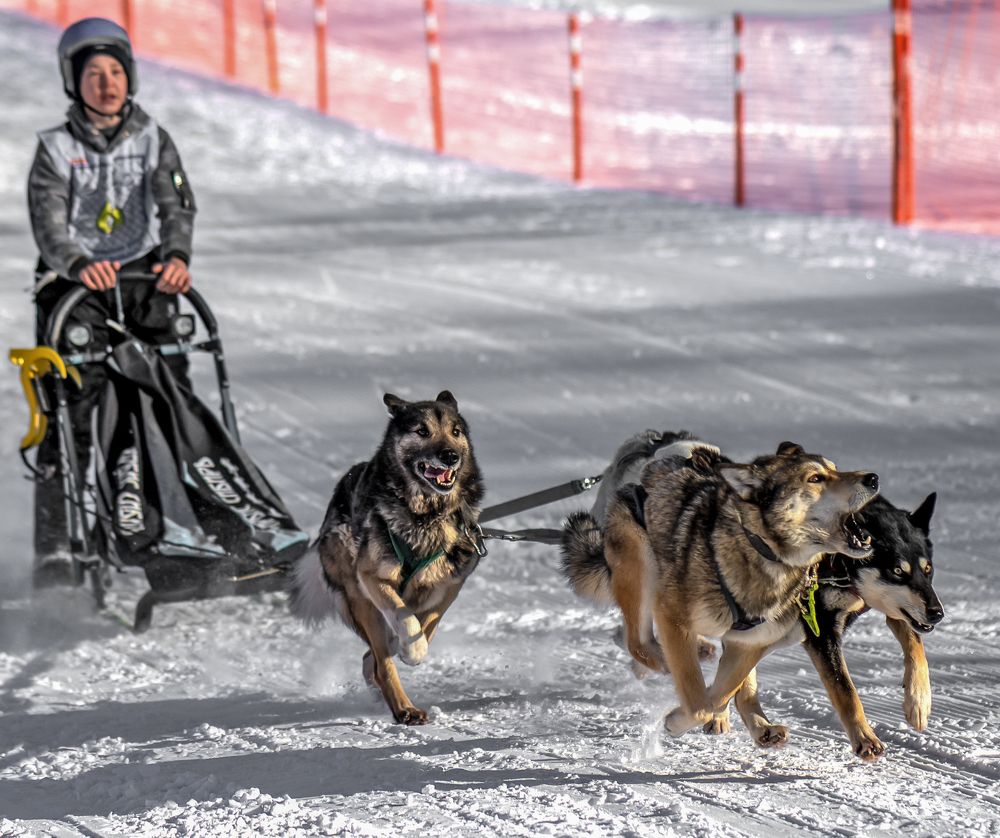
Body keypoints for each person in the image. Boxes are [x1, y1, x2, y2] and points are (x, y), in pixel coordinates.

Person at [28, 17, 197, 585]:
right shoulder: (54, 148)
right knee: (70, 415)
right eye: (94, 73)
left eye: (117, 71)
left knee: (175, 398)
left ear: (131, 77)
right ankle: (58, 545)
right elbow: (49, 223)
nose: (107, 83)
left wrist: (175, 256)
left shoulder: (154, 139)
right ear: (73, 82)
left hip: (144, 279)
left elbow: (176, 204)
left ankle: (194, 524)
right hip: (72, 288)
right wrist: (77, 262)